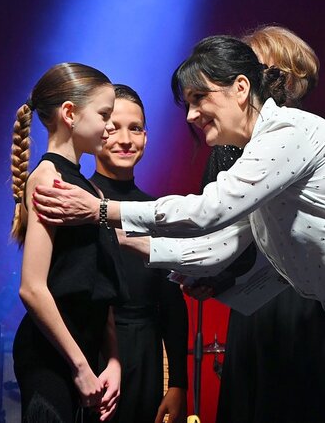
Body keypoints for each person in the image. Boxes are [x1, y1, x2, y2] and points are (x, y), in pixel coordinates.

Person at [32, 37, 325, 422]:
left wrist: (104, 210)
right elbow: (218, 249)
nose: (191, 115)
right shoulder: (259, 162)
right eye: (187, 104)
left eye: (199, 98)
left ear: (241, 88)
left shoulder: (284, 133)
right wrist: (126, 238)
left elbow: (209, 211)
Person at [189, 25, 325, 423]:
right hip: (281, 300)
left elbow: (220, 228)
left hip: (291, 302)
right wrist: (217, 277)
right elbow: (229, 230)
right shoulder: (245, 143)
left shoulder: (285, 137)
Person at [10, 62, 128, 423]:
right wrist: (79, 367)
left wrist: (113, 360)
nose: (110, 126)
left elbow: (101, 285)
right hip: (52, 355)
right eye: (104, 114)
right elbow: (32, 288)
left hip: (88, 356)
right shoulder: (48, 179)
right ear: (70, 114)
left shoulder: (91, 191)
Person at [89, 84, 188, 423]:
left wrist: (178, 383)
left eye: (135, 128)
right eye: (113, 128)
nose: (125, 139)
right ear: (96, 131)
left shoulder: (157, 210)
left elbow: (172, 304)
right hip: (92, 347)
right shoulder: (80, 200)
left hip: (146, 351)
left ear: (146, 137)